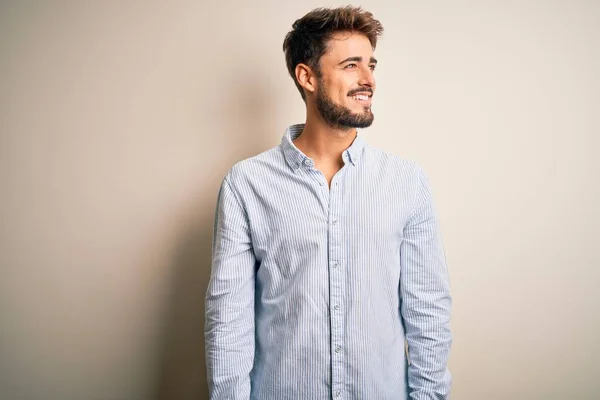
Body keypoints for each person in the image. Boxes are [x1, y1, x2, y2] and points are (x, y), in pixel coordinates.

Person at [205, 6, 452, 400]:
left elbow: (428, 315)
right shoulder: (246, 185)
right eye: (351, 65)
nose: (368, 80)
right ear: (308, 77)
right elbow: (228, 323)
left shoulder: (406, 182)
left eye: (370, 65)